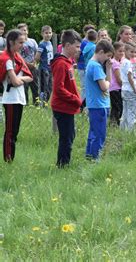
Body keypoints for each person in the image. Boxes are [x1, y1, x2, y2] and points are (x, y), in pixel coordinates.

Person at [50, 30, 82, 167]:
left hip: (68, 106)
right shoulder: (61, 64)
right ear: (67, 45)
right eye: (77, 46)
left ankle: (64, 163)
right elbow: (58, 89)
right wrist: (75, 99)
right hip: (62, 107)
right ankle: (62, 165)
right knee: (66, 138)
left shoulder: (68, 62)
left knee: (70, 136)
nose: (78, 49)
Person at [0, 30, 33, 162]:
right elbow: (14, 81)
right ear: (11, 42)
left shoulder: (18, 58)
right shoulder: (7, 60)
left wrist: (22, 80)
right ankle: (8, 159)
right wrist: (20, 80)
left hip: (19, 98)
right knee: (10, 132)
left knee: (15, 132)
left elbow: (29, 77)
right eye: (20, 42)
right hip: (10, 99)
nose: (22, 45)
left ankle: (10, 158)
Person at [85, 40, 114, 160]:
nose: (108, 59)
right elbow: (105, 86)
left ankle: (89, 155)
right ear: (101, 52)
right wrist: (107, 83)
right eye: (107, 56)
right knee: (99, 134)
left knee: (93, 132)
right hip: (99, 105)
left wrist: (108, 69)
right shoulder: (96, 66)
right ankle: (95, 158)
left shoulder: (92, 64)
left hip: (95, 104)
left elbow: (107, 81)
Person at [120, 43, 136, 130]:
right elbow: (129, 76)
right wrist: (135, 89)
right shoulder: (127, 62)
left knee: (125, 110)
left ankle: (123, 129)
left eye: (135, 52)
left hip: (125, 89)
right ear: (125, 51)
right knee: (132, 111)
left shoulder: (124, 61)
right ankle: (130, 131)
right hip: (130, 89)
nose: (133, 54)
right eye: (131, 52)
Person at [18, 23, 39, 105]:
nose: (24, 32)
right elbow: (18, 56)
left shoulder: (32, 41)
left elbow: (37, 52)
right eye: (22, 30)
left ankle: (36, 102)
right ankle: (25, 102)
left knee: (35, 85)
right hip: (23, 67)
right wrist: (26, 64)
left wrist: (34, 63)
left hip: (33, 66)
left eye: (25, 30)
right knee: (24, 86)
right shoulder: (19, 43)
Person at [35, 25, 54, 103]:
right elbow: (37, 56)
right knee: (43, 86)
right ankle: (42, 102)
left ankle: (45, 100)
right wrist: (40, 63)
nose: (48, 34)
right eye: (46, 33)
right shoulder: (42, 44)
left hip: (50, 68)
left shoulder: (50, 43)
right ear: (42, 34)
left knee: (50, 86)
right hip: (44, 68)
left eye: (50, 33)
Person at [77, 24, 95, 104]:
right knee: (84, 86)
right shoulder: (83, 43)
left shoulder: (91, 44)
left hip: (88, 66)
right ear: (85, 33)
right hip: (83, 66)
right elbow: (78, 54)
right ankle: (82, 103)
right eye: (89, 32)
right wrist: (77, 62)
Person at [109, 42, 124, 127]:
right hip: (116, 88)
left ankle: (112, 122)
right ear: (114, 51)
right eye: (119, 51)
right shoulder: (115, 63)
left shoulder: (117, 61)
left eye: (123, 51)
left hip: (114, 88)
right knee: (118, 107)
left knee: (115, 106)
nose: (122, 53)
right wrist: (124, 86)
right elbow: (118, 79)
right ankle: (116, 123)